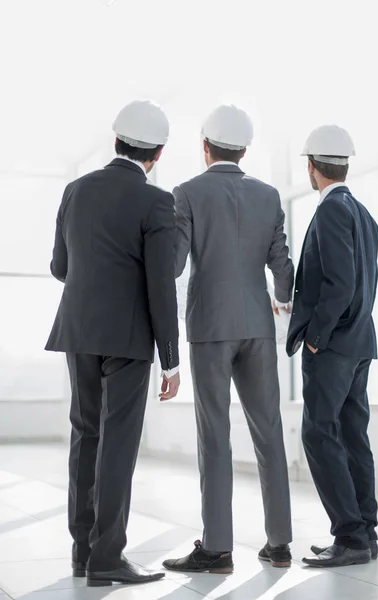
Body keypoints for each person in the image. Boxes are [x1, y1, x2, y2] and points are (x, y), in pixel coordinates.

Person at [45, 100, 180, 587]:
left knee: (85, 435)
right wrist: (170, 360)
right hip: (128, 337)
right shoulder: (156, 202)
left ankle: (82, 553)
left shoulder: (75, 189)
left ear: (116, 138)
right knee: (118, 441)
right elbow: (162, 286)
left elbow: (60, 267)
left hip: (78, 330)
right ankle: (108, 557)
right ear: (158, 152)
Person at [163, 105, 294, 574]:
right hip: (258, 325)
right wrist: (280, 299)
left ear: (204, 147)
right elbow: (282, 266)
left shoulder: (189, 193)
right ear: (245, 149)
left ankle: (217, 548)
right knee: (269, 431)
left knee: (214, 436)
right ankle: (279, 543)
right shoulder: (268, 194)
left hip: (210, 328)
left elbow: (174, 265)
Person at [287, 125, 378, 568]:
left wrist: (317, 338)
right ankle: (365, 534)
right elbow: (361, 283)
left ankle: (349, 534)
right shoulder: (364, 214)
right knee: (352, 435)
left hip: (335, 345)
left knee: (317, 433)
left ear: (311, 166)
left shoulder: (330, 211)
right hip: (360, 341)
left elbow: (340, 285)